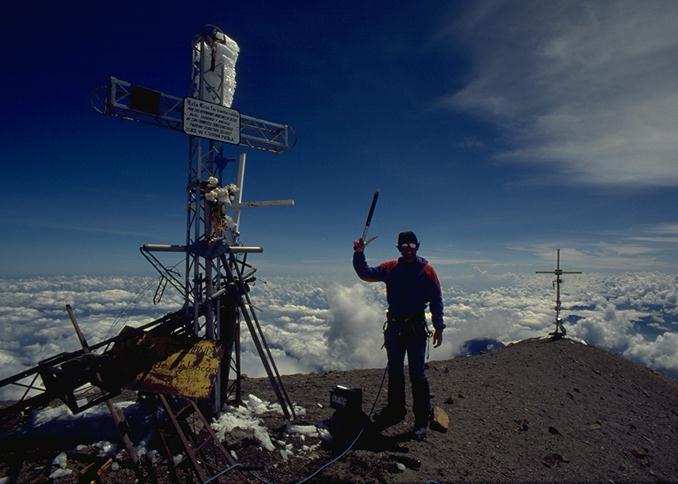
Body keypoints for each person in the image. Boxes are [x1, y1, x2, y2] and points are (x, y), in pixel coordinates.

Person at [353, 230, 444, 440]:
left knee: (417, 375)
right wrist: (359, 253)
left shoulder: (427, 270)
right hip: (396, 329)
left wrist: (439, 326)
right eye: (404, 247)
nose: (408, 250)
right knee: (395, 370)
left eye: (411, 246)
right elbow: (366, 273)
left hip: (415, 330)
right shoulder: (391, 267)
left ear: (417, 246)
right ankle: (396, 410)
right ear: (399, 249)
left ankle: (420, 419)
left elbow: (437, 300)